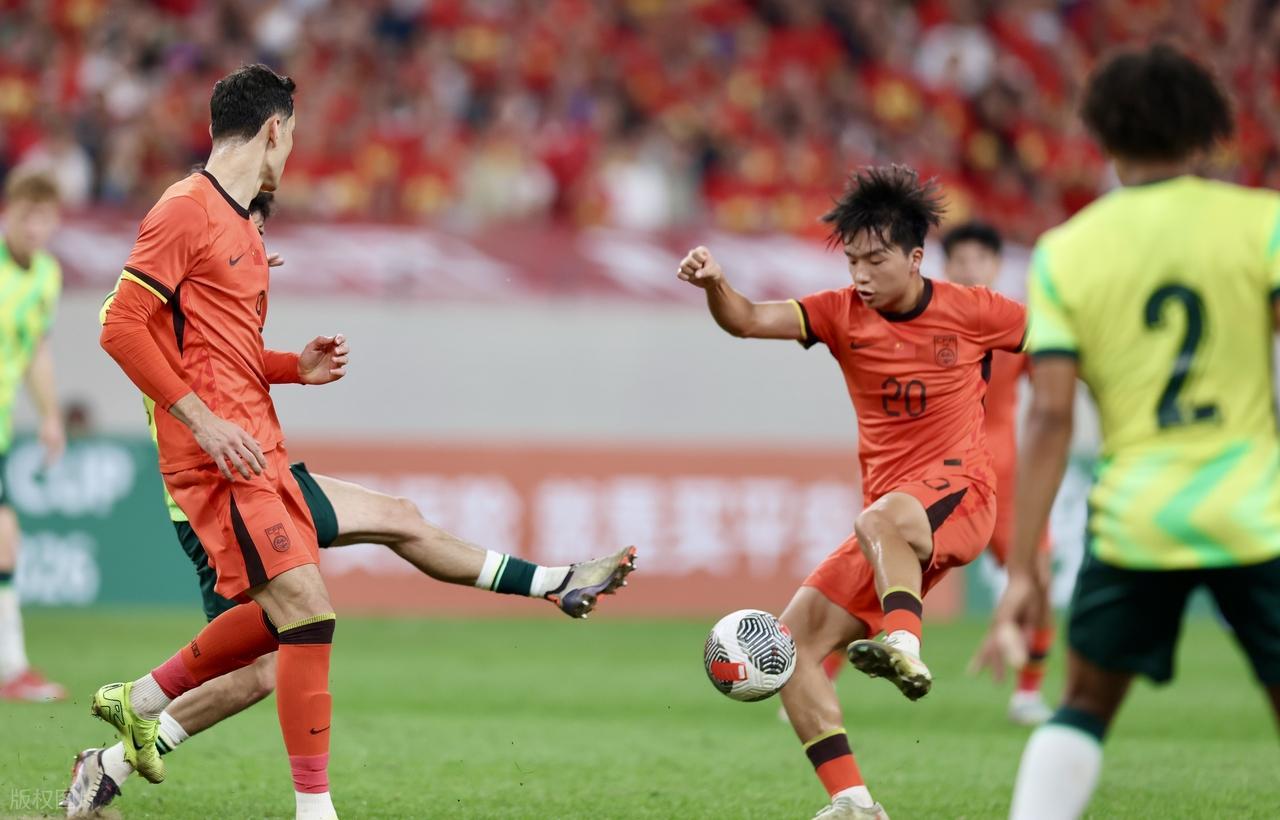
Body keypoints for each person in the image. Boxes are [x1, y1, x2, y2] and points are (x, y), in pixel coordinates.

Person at [64, 190, 636, 816]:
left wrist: (291, 364)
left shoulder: (217, 290)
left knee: (398, 517)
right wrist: (209, 288)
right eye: (246, 230)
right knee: (260, 667)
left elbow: (232, 364)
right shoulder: (156, 293)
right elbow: (134, 335)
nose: (253, 243)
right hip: (215, 486)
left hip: (263, 469)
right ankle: (114, 757)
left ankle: (555, 582)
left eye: (256, 234)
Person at [973, 44, 1280, 819]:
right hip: (1256, 509)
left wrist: (1025, 568)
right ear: (1208, 129)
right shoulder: (1263, 223)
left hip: (1137, 516)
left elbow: (1050, 414)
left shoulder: (1065, 252)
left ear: (1102, 132)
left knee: (1083, 704)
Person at [678, 165, 1026, 819]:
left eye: (875, 260)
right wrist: (716, 285)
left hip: (964, 492)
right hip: (890, 524)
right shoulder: (839, 313)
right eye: (853, 261)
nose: (861, 275)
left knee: (880, 519)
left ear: (915, 258)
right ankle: (854, 801)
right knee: (788, 646)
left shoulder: (974, 310)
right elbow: (747, 320)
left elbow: (1062, 345)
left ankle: (905, 644)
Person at [801, 221, 1056, 728]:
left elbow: (1055, 385)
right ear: (942, 263)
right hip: (941, 476)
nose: (969, 268)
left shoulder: (1005, 323)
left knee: (1039, 578)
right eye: (960, 260)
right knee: (877, 568)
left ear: (996, 267)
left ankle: (1028, 692)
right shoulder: (932, 321)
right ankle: (823, 672)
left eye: (979, 260)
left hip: (1006, 479)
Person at [0, 170, 67, 703]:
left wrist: (49, 415)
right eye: (26, 215)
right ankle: (12, 668)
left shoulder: (47, 275)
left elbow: (35, 347)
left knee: (4, 543)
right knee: (4, 539)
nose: (33, 227)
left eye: (43, 218)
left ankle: (12, 668)